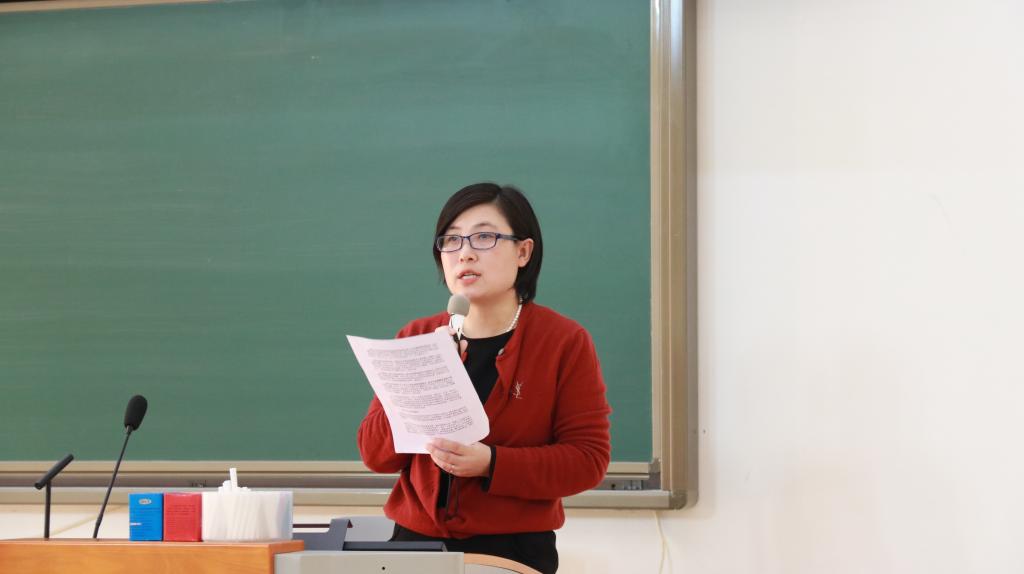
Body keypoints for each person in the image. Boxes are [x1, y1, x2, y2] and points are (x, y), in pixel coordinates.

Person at [357, 182, 611, 573]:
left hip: (512, 552)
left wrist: (492, 463)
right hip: (413, 547)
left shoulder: (563, 341)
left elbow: (587, 461)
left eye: (484, 237)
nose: (465, 253)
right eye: (451, 240)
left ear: (523, 252)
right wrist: (425, 380)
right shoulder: (417, 335)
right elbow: (376, 455)